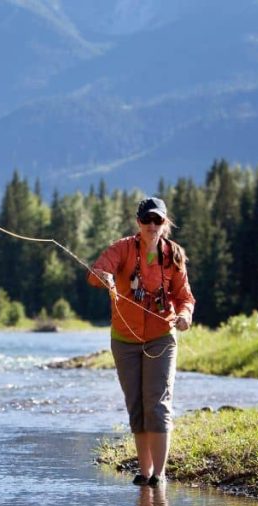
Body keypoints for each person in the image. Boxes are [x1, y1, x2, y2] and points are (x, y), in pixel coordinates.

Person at [87, 197, 194, 487]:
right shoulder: (122, 248)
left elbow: (185, 297)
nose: (151, 225)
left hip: (161, 336)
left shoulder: (173, 255)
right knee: (136, 406)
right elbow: (97, 272)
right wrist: (106, 278)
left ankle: (159, 475)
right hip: (124, 339)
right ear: (138, 222)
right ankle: (144, 472)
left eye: (157, 220)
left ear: (165, 223)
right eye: (146, 220)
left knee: (157, 405)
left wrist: (185, 315)